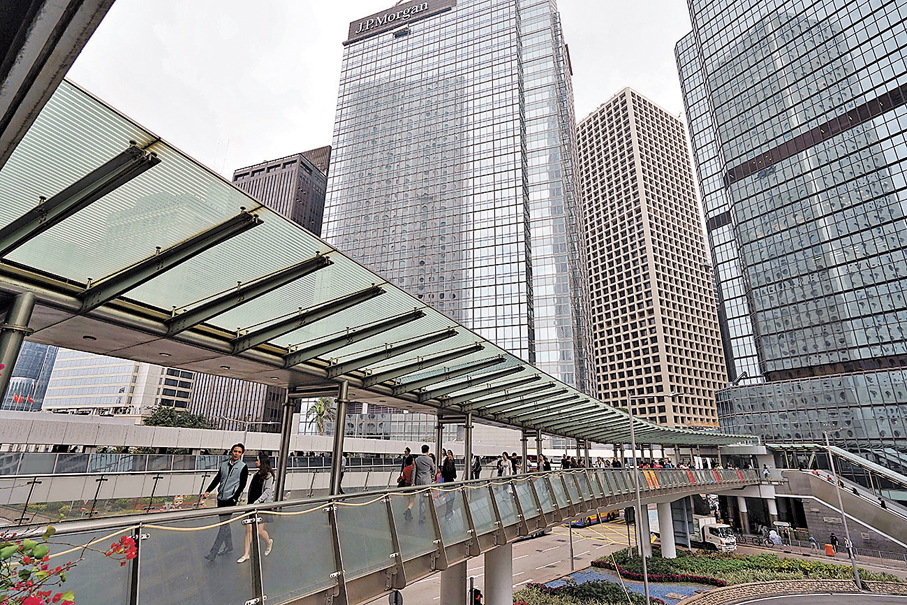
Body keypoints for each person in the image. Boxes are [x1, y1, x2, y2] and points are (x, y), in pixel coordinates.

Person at [203, 443, 249, 561]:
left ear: (241, 454)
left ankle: (213, 552)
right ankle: (229, 545)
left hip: (230, 499)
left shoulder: (243, 467)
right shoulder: (224, 465)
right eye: (235, 451)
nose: (236, 454)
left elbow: (242, 484)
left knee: (223, 525)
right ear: (231, 451)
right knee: (224, 524)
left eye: (239, 452)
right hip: (221, 498)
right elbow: (217, 479)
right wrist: (208, 490)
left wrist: (235, 497)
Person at [237, 452, 274, 563]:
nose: (255, 462)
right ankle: (246, 554)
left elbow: (267, 491)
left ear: (262, 462)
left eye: (257, 460)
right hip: (252, 505)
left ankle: (268, 542)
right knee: (249, 529)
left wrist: (257, 502)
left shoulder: (268, 476)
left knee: (259, 531)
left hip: (261, 506)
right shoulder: (256, 474)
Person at [413, 445, 437, 523]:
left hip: (419, 480)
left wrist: (413, 482)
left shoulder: (417, 459)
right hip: (427, 480)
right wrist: (432, 476)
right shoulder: (430, 459)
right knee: (427, 498)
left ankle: (421, 516)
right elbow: (433, 469)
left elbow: (414, 471)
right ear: (428, 450)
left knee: (421, 498)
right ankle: (426, 514)